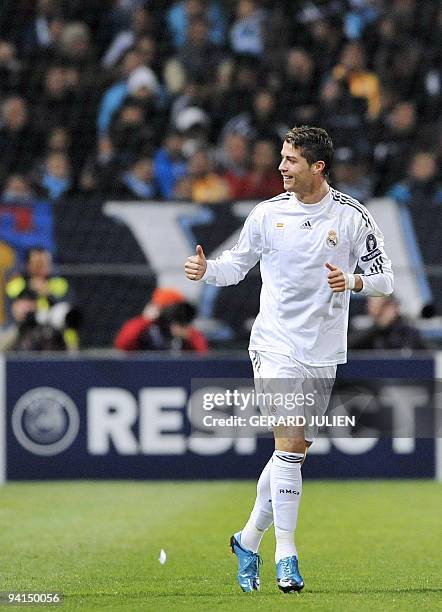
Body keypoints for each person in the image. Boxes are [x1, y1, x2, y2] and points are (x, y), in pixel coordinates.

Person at [184, 126, 393, 593]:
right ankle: (287, 556)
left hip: (323, 349)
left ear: (317, 167)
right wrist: (205, 270)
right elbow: (235, 266)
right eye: (282, 157)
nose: (281, 166)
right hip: (275, 344)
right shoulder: (266, 213)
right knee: (289, 442)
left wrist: (354, 283)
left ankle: (247, 539)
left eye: (291, 160)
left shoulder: (353, 216)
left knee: (293, 452)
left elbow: (386, 279)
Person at [114, 287, 207, 352]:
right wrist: (145, 320)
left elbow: (202, 354)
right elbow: (122, 345)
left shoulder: (183, 328)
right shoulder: (144, 325)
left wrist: (188, 336)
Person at [348, 295, 426, 351]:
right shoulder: (361, 327)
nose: (370, 306)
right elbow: (349, 346)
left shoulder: (409, 333)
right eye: (370, 302)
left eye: (379, 303)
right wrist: (379, 326)